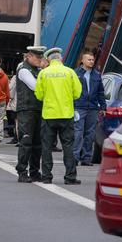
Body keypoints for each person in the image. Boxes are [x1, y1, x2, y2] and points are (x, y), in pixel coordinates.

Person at [35, 47, 82, 185]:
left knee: (46, 147)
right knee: (68, 146)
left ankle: (47, 177)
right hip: (66, 114)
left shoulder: (44, 73)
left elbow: (39, 95)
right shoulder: (70, 72)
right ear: (61, 59)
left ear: (49, 59)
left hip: (49, 115)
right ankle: (70, 177)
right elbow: (77, 93)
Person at [15, 47, 45, 182]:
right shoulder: (24, 70)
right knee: (26, 142)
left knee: (37, 143)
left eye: (41, 58)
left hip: (38, 109)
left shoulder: (38, 71)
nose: (40, 60)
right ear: (29, 56)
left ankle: (34, 172)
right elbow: (35, 86)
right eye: (38, 58)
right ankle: (22, 172)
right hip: (26, 110)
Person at [73, 51, 106, 166]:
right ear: (82, 60)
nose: (91, 61)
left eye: (92, 60)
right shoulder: (75, 73)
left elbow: (101, 92)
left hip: (92, 108)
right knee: (78, 132)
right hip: (79, 107)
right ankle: (74, 157)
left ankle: (86, 158)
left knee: (90, 134)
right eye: (89, 59)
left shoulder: (97, 75)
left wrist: (103, 106)